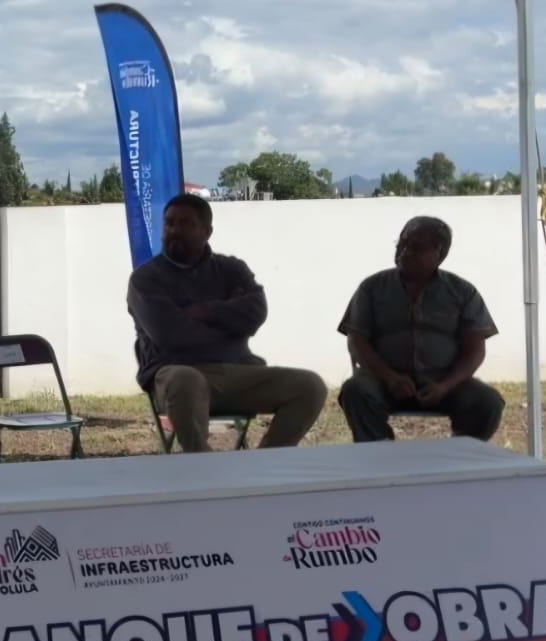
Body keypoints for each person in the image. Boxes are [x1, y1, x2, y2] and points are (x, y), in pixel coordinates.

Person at [127, 193, 327, 453]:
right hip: (175, 372)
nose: (174, 231)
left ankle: (265, 462)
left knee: (309, 386)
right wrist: (230, 323)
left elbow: (256, 312)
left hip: (238, 371)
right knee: (185, 379)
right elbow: (171, 335)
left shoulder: (231, 269)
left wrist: (203, 311)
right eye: (169, 223)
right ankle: (204, 469)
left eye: (186, 224)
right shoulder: (146, 279)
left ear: (207, 231)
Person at [337, 216, 505, 442]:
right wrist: (390, 378)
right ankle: (378, 459)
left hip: (444, 383)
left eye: (416, 248)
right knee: (355, 391)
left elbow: (475, 350)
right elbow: (357, 341)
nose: (405, 252)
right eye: (401, 244)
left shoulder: (463, 293)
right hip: (383, 382)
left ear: (441, 255)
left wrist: (444, 386)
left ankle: (459, 459)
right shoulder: (372, 288)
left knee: (488, 402)